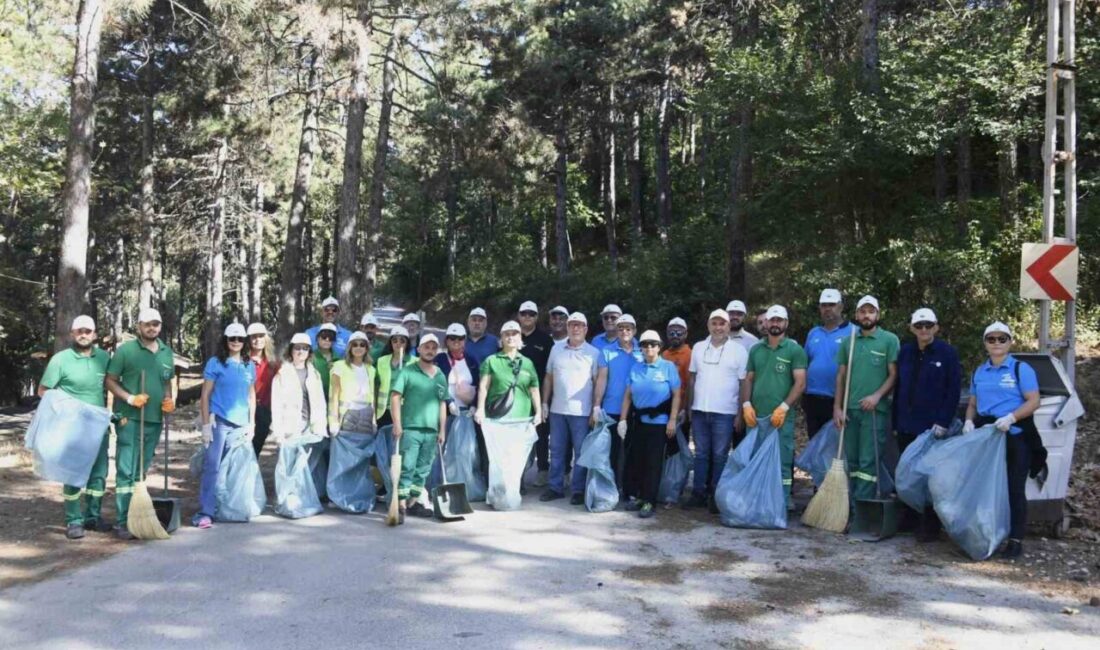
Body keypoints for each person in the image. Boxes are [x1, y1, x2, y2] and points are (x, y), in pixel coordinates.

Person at [964, 322, 1041, 559]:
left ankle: (1015, 540)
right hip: (987, 437)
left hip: (1015, 436)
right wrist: (968, 422)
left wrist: (1011, 417)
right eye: (991, 339)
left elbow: (1033, 400)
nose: (996, 343)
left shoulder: (1020, 369)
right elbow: (973, 404)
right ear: (985, 343)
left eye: (1002, 339)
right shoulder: (979, 371)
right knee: (985, 487)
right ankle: (986, 535)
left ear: (1010, 342)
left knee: (1014, 489)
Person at [104, 308, 176, 540]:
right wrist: (130, 398)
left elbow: (167, 382)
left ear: (160, 326)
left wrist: (169, 400)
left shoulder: (166, 352)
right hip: (130, 417)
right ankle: (122, 521)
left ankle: (137, 515)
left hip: (154, 419)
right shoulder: (126, 351)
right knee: (126, 469)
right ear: (139, 326)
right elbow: (110, 380)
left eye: (156, 324)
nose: (152, 328)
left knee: (141, 470)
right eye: (147, 324)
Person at [38, 315, 111, 539]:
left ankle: (93, 516)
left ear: (95, 335)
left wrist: (111, 415)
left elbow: (111, 386)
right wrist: (66, 409)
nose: (83, 334)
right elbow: (43, 391)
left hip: (98, 427)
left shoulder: (105, 358)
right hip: (72, 428)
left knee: (98, 474)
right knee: (73, 473)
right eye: (79, 330)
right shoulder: (61, 360)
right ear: (72, 334)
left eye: (88, 331)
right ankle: (74, 520)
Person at [893, 308, 961, 541]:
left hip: (932, 427)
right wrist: (896, 420)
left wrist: (943, 422)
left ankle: (930, 524)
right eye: (919, 326)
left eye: (928, 326)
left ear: (936, 327)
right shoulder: (906, 352)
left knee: (930, 476)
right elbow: (899, 387)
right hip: (906, 423)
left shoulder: (947, 353)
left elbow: (953, 391)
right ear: (912, 328)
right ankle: (910, 517)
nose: (924, 330)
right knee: (907, 472)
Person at [833, 295, 900, 505]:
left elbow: (894, 375)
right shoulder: (849, 341)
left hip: (874, 411)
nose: (866, 315)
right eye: (862, 311)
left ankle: (863, 507)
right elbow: (841, 376)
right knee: (852, 461)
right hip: (850, 410)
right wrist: (837, 407)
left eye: (871, 311)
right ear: (856, 315)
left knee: (868, 462)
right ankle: (851, 507)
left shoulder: (889, 340)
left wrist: (877, 396)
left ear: (877, 314)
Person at [742, 305, 807, 508]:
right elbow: (748, 379)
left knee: (783, 460)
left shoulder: (794, 350)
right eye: (772, 320)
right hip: (756, 416)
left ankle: (782, 500)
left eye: (780, 320)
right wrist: (746, 405)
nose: (775, 323)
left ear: (786, 323)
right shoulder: (756, 350)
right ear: (766, 323)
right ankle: (758, 500)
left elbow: (800, 383)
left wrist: (784, 407)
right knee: (755, 458)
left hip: (781, 417)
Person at [195, 323, 257, 529]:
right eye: (232, 339)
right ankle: (206, 512)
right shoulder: (216, 363)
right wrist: (205, 425)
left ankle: (229, 508)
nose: (236, 343)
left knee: (235, 468)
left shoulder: (249, 365)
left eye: (240, 339)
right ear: (226, 340)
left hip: (241, 424)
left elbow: (251, 395)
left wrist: (252, 423)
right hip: (219, 421)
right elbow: (205, 395)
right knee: (212, 467)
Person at [686, 309, 749, 512]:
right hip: (699, 411)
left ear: (728, 326)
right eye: (714, 323)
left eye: (722, 323)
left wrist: (740, 413)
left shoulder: (739, 351)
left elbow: (743, 383)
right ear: (708, 325)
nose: (718, 327)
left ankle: (716, 495)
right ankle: (698, 493)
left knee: (720, 454)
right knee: (701, 454)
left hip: (725, 412)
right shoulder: (698, 347)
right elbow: (692, 378)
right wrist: (689, 406)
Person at [619, 330, 682, 519]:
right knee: (638, 460)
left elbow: (677, 394)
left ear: (659, 346)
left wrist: (672, 419)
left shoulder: (668, 367)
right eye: (645, 344)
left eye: (653, 344)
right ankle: (639, 496)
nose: (649, 348)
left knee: (653, 463)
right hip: (639, 422)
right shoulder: (636, 368)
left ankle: (650, 501)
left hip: (660, 423)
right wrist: (623, 420)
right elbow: (628, 396)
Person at [540, 312, 599, 505]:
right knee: (556, 451)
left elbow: (597, 381)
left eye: (580, 325)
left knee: (580, 452)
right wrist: (544, 403)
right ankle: (555, 487)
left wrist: (595, 408)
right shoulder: (556, 349)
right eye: (572, 325)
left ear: (586, 329)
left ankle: (578, 490)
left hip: (582, 413)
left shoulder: (593, 353)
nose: (575, 328)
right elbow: (549, 377)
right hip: (557, 410)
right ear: (567, 327)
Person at [390, 333, 449, 523]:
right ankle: (400, 505)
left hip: (431, 431)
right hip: (411, 428)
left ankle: (413, 502)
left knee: (423, 469)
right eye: (426, 347)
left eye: (434, 348)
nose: (430, 351)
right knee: (407, 467)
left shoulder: (440, 375)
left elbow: (442, 403)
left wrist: (442, 430)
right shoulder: (407, 371)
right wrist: (397, 424)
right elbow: (395, 397)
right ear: (419, 349)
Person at [592, 313, 642, 485]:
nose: (624, 332)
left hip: (636, 408)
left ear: (634, 330)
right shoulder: (607, 351)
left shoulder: (642, 350)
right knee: (611, 451)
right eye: (621, 328)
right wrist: (597, 405)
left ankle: (629, 489)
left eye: (628, 328)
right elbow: (602, 379)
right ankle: (610, 487)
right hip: (612, 407)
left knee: (632, 451)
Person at [804, 289, 853, 438]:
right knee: (814, 444)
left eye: (831, 304)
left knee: (835, 447)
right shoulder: (814, 333)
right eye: (824, 305)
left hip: (838, 399)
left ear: (841, 306)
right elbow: (806, 363)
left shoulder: (853, 332)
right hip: (812, 397)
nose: (827, 309)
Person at [517, 301, 554, 486]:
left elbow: (550, 373)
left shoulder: (545, 340)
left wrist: (546, 401)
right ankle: (518, 475)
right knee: (518, 437)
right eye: (524, 314)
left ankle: (543, 470)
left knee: (541, 434)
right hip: (516, 398)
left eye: (531, 314)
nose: (527, 317)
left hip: (538, 396)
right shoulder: (512, 336)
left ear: (537, 317)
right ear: (519, 316)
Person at [476, 321, 542, 425]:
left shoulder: (528, 363)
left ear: (520, 337)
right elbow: (483, 387)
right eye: (507, 334)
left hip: (523, 420)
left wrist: (538, 412)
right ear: (501, 338)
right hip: (497, 419)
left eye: (514, 334)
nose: (510, 337)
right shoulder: (491, 360)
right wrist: (480, 409)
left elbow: (534, 390)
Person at [269, 333, 328, 443]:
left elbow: (321, 404)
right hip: (289, 430)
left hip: (311, 429)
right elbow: (276, 406)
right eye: (297, 348)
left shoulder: (315, 374)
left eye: (305, 348)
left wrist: (321, 427)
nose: (301, 351)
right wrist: (278, 433)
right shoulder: (282, 374)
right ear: (291, 350)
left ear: (309, 352)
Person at [328, 332, 377, 435]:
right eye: (355, 344)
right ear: (350, 347)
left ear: (366, 348)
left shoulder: (371, 369)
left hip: (366, 415)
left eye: (362, 345)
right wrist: (333, 421)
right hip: (346, 415)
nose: (358, 347)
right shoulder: (339, 366)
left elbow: (372, 396)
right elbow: (334, 396)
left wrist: (373, 421)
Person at [247, 322, 279, 458]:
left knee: (255, 448)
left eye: (261, 336)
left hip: (265, 411)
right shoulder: (242, 361)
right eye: (254, 337)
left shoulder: (273, 363)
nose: (257, 340)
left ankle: (249, 477)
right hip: (244, 410)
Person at [375, 325, 415, 428]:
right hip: (384, 411)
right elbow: (376, 387)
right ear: (390, 343)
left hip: (406, 411)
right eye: (395, 340)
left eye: (402, 341)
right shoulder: (381, 361)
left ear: (407, 343)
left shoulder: (415, 362)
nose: (398, 344)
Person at [312, 323, 341, 401]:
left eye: (331, 337)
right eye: (324, 336)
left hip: (334, 399)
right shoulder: (310, 357)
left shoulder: (338, 359)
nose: (327, 340)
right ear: (318, 338)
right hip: (315, 399)